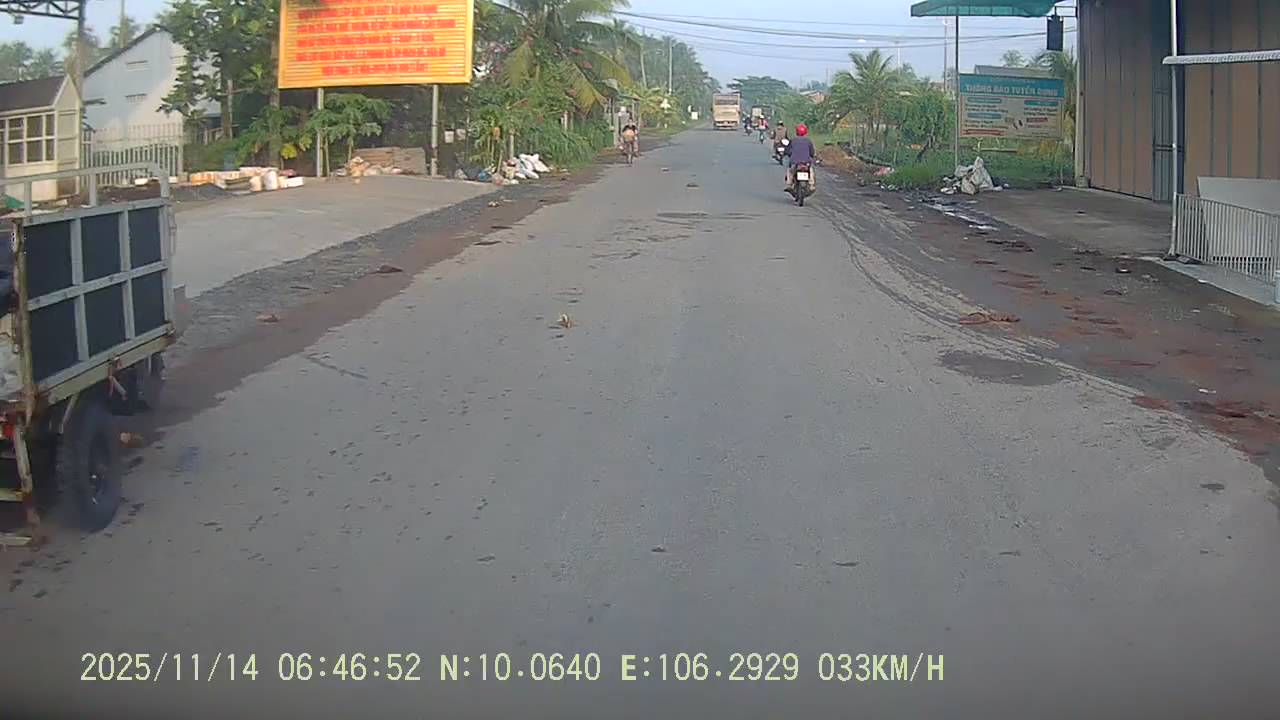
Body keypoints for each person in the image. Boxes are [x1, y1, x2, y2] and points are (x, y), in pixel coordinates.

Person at [786, 123, 816, 190]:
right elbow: (812, 152)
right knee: (811, 171)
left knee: (790, 171)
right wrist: (812, 156)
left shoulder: (793, 140)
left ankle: (789, 184)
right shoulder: (808, 141)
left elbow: (788, 150)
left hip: (795, 162)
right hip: (806, 162)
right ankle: (811, 185)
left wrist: (788, 154)